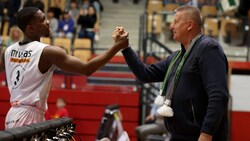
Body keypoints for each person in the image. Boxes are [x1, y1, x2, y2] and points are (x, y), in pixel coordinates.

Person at [0, 7, 129, 129]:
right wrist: (117, 47)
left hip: (13, 114)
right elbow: (87, 69)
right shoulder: (47, 52)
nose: (48, 22)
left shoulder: (8, 51)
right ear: (31, 28)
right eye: (42, 20)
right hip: (28, 117)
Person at [116, 5, 229, 141]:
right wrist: (125, 48)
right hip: (178, 136)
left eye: (176, 21)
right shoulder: (176, 57)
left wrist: (206, 133)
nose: (171, 26)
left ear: (190, 25)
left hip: (200, 137)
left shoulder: (209, 48)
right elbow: (145, 73)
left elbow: (219, 95)